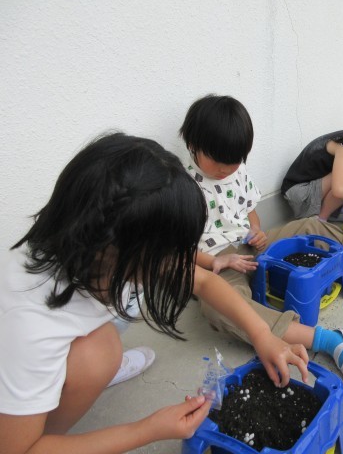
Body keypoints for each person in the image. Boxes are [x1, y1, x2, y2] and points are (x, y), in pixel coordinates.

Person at [0, 133, 310, 454]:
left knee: (103, 350)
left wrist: (262, 335)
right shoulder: (30, 324)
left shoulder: (104, 248)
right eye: (167, 253)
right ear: (116, 251)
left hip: (51, 347)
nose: (177, 261)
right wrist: (147, 430)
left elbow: (205, 283)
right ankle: (40, 430)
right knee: (95, 358)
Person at [180, 95, 343, 385]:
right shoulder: (183, 187)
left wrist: (257, 229)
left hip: (250, 245)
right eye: (219, 162)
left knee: (309, 225)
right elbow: (178, 249)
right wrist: (216, 260)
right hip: (217, 262)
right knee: (219, 307)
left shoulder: (236, 171)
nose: (226, 169)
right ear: (193, 144)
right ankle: (329, 340)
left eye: (235, 161)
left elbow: (249, 208)